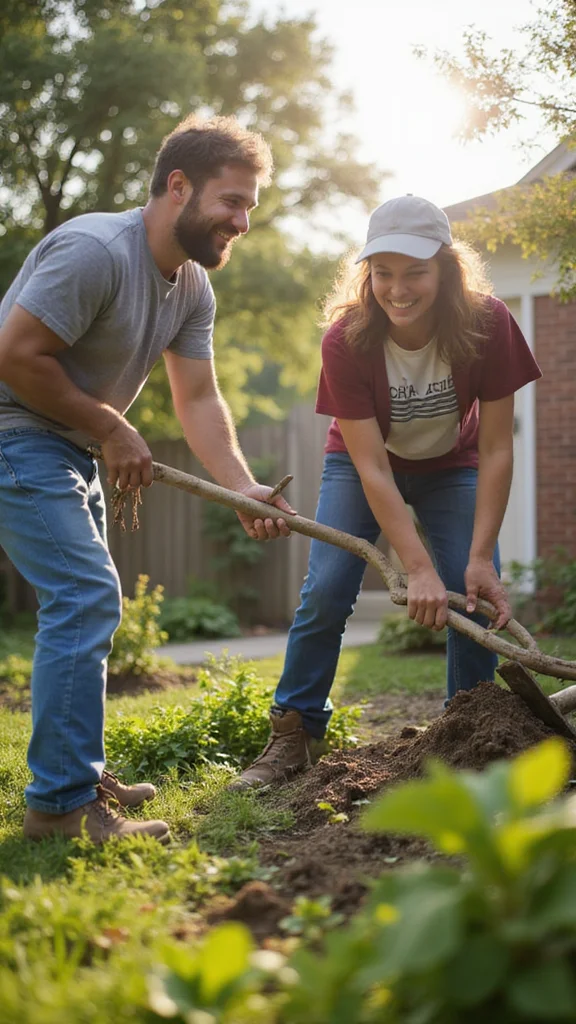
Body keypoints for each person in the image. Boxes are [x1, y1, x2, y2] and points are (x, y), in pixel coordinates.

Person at [0, 115, 293, 843]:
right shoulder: (96, 251)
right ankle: (61, 810)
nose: (243, 220)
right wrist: (111, 425)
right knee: (85, 596)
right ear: (178, 186)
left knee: (86, 605)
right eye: (232, 201)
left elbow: (198, 398)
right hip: (15, 435)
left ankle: (76, 773)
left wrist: (239, 486)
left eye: (251, 205)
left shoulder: (190, 286)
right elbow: (12, 354)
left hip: (67, 447)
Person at [232, 194, 542, 790]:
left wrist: (477, 558)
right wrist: (416, 567)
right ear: (366, 273)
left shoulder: (488, 322)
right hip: (360, 465)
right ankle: (293, 737)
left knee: (471, 596)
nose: (397, 290)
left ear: (446, 269)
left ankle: (469, 738)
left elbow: (499, 447)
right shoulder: (346, 338)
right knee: (326, 587)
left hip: (455, 466)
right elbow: (371, 464)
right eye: (382, 274)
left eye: (415, 272)